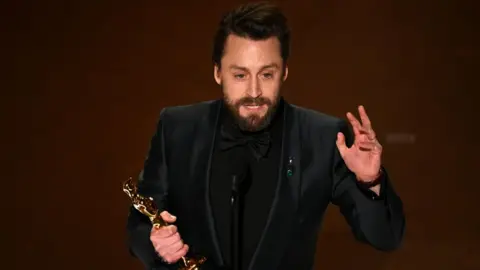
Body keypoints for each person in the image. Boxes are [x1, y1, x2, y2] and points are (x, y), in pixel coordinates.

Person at [126, 2, 405, 270]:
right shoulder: (177, 128)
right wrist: (154, 243)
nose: (254, 91)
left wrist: (371, 181)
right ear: (217, 73)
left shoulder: (325, 138)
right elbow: (139, 224)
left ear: (284, 71)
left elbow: (385, 237)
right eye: (240, 75)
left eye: (267, 74)